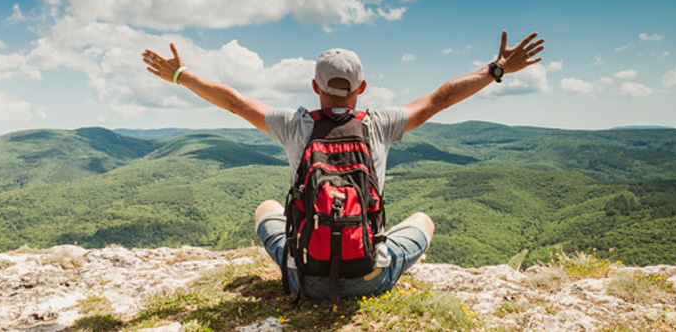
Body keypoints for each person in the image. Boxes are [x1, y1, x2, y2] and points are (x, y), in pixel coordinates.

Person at [141, 31, 544, 298]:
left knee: (266, 208)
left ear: (315, 87)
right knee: (422, 219)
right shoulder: (381, 124)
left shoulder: (293, 124)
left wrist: (180, 75)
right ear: (362, 89)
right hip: (370, 277)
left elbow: (234, 101)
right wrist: (496, 70)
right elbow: (440, 98)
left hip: (303, 280)